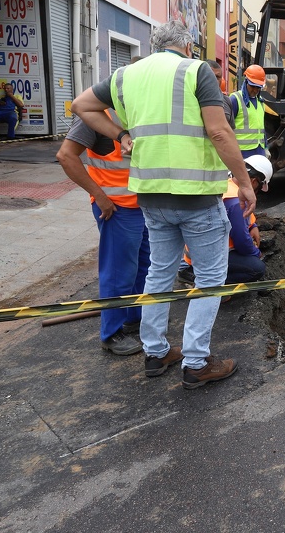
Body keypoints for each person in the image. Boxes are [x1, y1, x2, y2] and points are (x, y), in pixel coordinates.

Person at [72, 19, 256, 390]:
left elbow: (81, 105)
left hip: (150, 195)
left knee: (159, 272)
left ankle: (155, 352)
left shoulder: (127, 75)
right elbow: (219, 131)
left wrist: (120, 133)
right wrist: (245, 182)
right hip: (196, 196)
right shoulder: (196, 70)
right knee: (209, 279)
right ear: (187, 46)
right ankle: (196, 363)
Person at [56, 111, 150, 356]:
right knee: (118, 271)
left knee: (143, 267)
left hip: (144, 205)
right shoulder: (98, 114)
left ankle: (134, 317)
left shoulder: (144, 106)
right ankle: (111, 333)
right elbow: (66, 156)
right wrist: (99, 196)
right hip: (116, 208)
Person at [182, 154, 270, 287]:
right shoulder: (236, 202)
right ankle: (205, 281)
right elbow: (242, 241)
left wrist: (253, 226)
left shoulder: (228, 186)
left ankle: (196, 273)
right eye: (258, 188)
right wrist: (256, 253)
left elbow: (242, 217)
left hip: (198, 252)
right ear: (253, 182)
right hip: (206, 258)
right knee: (256, 268)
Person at [229, 64, 267, 158]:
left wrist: (266, 147)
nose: (255, 90)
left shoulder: (260, 101)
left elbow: (261, 127)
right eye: (252, 86)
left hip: (259, 150)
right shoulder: (235, 99)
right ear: (246, 82)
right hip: (242, 152)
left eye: (258, 87)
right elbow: (226, 127)